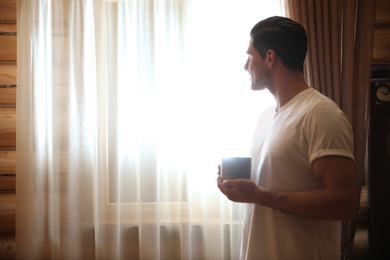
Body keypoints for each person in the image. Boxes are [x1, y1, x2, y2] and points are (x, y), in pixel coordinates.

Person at [217, 16, 357, 260]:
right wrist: (242, 186)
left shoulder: (321, 114)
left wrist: (259, 195)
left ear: (270, 57)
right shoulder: (265, 118)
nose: (245, 66)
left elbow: (344, 203)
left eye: (250, 57)